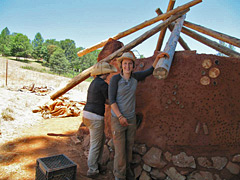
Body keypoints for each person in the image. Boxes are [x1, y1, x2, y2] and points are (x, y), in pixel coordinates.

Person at [109, 51, 169, 180]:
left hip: (130, 119)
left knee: (129, 147)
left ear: (133, 66)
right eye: (125, 63)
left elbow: (150, 71)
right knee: (120, 150)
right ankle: (119, 176)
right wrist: (120, 117)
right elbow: (111, 101)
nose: (127, 66)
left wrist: (158, 58)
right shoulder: (115, 79)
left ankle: (126, 171)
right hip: (117, 119)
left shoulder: (135, 78)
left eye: (130, 64)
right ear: (121, 65)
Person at [82, 61, 117, 178]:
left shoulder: (94, 82)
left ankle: (96, 165)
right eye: (108, 72)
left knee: (100, 140)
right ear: (105, 73)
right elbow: (109, 100)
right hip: (95, 116)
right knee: (95, 145)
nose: (108, 74)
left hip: (87, 114)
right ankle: (92, 170)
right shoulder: (103, 84)